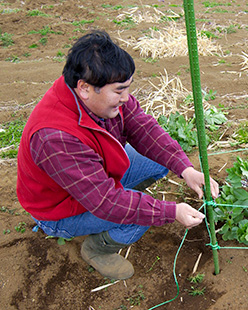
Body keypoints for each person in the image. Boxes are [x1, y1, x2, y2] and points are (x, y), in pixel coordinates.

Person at [16, 30, 219, 280]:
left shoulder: (98, 94)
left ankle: (123, 200)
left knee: (155, 164)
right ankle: (96, 249)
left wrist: (185, 169)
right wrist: (170, 211)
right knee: (139, 216)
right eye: (119, 91)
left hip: (92, 181)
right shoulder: (55, 137)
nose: (126, 98)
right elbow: (105, 202)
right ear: (85, 88)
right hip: (59, 209)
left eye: (128, 88)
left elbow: (143, 128)